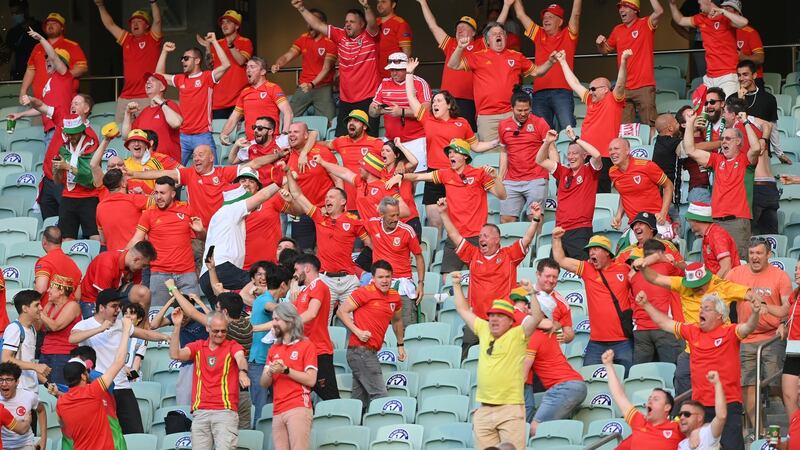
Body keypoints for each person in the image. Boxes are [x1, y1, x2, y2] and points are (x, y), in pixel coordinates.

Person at [636, 290, 763, 450]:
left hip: (728, 403)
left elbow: (748, 327)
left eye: (707, 308)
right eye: (701, 308)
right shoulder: (692, 331)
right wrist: (646, 305)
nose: (701, 311)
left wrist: (755, 313)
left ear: (720, 315)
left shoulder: (730, 332)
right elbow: (665, 323)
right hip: (700, 407)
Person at [450, 271, 543, 449]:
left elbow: (537, 318)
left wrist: (532, 293)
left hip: (510, 409)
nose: (494, 319)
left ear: (510, 320)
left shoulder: (518, 334)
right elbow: (463, 309)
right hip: (484, 409)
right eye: (492, 315)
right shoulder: (484, 329)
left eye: (499, 316)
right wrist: (456, 284)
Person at [386, 139, 506, 275]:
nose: (451, 155)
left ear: (465, 156)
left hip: (476, 236)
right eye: (449, 152)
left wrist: (496, 178)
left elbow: (502, 195)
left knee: (481, 275)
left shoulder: (479, 174)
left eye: (455, 152)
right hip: (454, 236)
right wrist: (402, 176)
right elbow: (419, 176)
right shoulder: (445, 174)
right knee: (446, 277)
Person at [404, 57, 495, 227]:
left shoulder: (462, 123)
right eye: (433, 101)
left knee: (460, 221)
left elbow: (476, 146)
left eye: (439, 101)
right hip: (434, 175)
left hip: (457, 173)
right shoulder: (428, 120)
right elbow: (411, 97)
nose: (434, 104)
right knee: (435, 222)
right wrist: (409, 73)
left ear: (449, 105)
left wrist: (495, 143)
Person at [439, 198, 537, 354]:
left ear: (497, 239)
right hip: (476, 320)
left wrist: (535, 220)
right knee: (467, 355)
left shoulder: (509, 256)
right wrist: (444, 213)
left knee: (500, 358)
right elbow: (454, 235)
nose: (481, 239)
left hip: (502, 319)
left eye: (485, 236)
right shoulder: (473, 254)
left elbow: (527, 239)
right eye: (480, 237)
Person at [69, 289, 168, 435]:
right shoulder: (85, 325)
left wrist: (166, 337)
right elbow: (72, 338)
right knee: (105, 435)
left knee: (135, 433)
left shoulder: (121, 325)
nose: (118, 310)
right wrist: (100, 329)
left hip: (123, 387)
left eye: (119, 306)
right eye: (114, 306)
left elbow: (145, 334)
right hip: (100, 388)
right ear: (101, 307)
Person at [447, 21, 554, 147]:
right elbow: (453, 65)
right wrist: (460, 47)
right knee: (489, 155)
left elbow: (537, 72)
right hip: (487, 117)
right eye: (494, 34)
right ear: (487, 41)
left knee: (516, 151)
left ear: (506, 38)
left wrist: (550, 61)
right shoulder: (477, 56)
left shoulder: (517, 56)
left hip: (511, 114)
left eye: (501, 33)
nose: (498, 35)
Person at [725, 237, 791, 430]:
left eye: (759, 253)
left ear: (768, 255)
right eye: (752, 253)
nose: (754, 257)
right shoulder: (736, 273)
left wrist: (782, 323)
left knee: (775, 383)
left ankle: (793, 422)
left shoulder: (780, 276)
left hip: (772, 337)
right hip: (746, 337)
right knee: (747, 384)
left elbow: (788, 307)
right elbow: (721, 296)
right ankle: (759, 432)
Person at [284, 174, 367, 323]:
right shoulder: (319, 216)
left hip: (348, 280)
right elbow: (298, 195)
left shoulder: (354, 221)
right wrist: (288, 172)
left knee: (353, 322)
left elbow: (371, 244)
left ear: (343, 201)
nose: (327, 199)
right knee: (322, 323)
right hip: (326, 279)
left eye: (331, 197)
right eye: (326, 197)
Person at [292, 0, 381, 136]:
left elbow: (373, 24)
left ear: (362, 24)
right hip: (346, 100)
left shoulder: (369, 37)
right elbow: (317, 24)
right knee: (340, 139)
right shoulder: (340, 35)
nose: (347, 24)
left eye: (352, 21)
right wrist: (301, 8)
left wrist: (366, 7)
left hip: (368, 99)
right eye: (346, 21)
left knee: (369, 140)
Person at [552, 229, 634, 372]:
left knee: (627, 380)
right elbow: (561, 260)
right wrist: (556, 239)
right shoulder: (587, 268)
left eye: (595, 249)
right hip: (597, 343)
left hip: (623, 341)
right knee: (589, 379)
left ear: (607, 252)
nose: (591, 253)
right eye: (590, 250)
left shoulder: (624, 269)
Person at [682, 110, 761, 258]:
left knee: (737, 264)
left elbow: (756, 148)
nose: (723, 141)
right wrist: (690, 123)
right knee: (713, 262)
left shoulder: (745, 161)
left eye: (728, 139)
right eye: (722, 138)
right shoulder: (717, 160)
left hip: (737, 221)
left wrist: (745, 122)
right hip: (715, 222)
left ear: (738, 142)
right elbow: (690, 150)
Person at [198, 174, 283, 304]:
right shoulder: (233, 209)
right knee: (259, 282)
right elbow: (262, 196)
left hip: (207, 276)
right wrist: (278, 183)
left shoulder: (221, 214)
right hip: (222, 269)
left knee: (226, 311)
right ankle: (273, 307)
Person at [169, 307, 246, 449]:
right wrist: (177, 325)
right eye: (216, 331)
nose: (220, 334)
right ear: (207, 328)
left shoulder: (232, 346)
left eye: (224, 331)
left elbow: (240, 357)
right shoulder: (198, 346)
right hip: (201, 411)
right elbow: (175, 354)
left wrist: (243, 371)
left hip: (225, 411)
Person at [558, 49, 631, 193]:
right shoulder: (590, 99)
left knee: (600, 192)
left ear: (605, 89)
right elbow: (574, 83)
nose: (590, 91)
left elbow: (620, 84)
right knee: (583, 191)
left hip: (604, 156)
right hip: (585, 154)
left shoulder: (614, 100)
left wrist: (623, 61)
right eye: (589, 89)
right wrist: (562, 62)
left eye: (593, 89)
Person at [336, 260, 405, 410]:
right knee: (380, 397)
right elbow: (341, 312)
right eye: (380, 277)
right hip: (360, 350)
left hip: (367, 351)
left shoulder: (394, 296)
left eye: (388, 276)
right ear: (373, 278)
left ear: (392, 277)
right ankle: (384, 424)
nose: (384, 280)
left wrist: (400, 345)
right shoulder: (364, 292)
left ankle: (355, 422)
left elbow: (397, 321)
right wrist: (357, 331)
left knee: (359, 401)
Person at [57, 317, 132, 450]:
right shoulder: (93, 391)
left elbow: (65, 430)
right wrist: (126, 331)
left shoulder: (61, 403)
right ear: (83, 375)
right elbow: (119, 361)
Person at [128, 176, 204, 308]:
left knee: (193, 316)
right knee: (157, 315)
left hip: (187, 273)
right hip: (159, 275)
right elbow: (136, 239)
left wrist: (201, 231)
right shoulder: (148, 214)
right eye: (156, 192)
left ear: (173, 194)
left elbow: (203, 238)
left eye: (162, 193)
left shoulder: (187, 209)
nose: (158, 197)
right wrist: (121, 256)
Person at [155, 38, 230, 165]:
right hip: (182, 135)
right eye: (182, 58)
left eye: (186, 58)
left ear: (197, 60)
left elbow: (226, 65)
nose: (182, 61)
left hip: (202, 135)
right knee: (175, 172)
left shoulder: (207, 77)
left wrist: (214, 42)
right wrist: (164, 51)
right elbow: (158, 76)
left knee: (213, 172)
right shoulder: (180, 79)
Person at [513, 0, 582, 130]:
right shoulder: (539, 34)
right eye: (544, 17)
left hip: (562, 91)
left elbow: (576, 14)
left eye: (550, 17)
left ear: (560, 22)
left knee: (568, 130)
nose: (546, 20)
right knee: (542, 132)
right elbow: (520, 15)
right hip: (539, 93)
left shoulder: (568, 34)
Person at [730, 60, 781, 235]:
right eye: (739, 75)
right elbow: (736, 124)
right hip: (745, 166)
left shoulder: (768, 99)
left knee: (764, 231)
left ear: (754, 75)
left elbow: (772, 126)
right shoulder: (733, 99)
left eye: (745, 74)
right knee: (751, 230)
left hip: (761, 162)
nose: (741, 78)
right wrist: (740, 100)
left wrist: (779, 152)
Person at [535, 126, 602, 258]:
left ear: (584, 155)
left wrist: (575, 138)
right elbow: (540, 160)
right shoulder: (563, 171)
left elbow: (597, 155)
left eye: (575, 153)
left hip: (580, 230)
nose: (571, 157)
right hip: (559, 230)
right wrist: (547, 142)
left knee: (581, 268)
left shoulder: (589, 171)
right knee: (552, 268)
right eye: (569, 153)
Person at [523, 291, 585, 434]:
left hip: (564, 387)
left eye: (530, 306)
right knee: (555, 431)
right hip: (575, 384)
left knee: (535, 429)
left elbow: (523, 374)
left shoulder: (534, 336)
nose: (526, 308)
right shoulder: (549, 333)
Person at [597, 0, 663, 130]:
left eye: (626, 7)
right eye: (620, 8)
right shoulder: (617, 30)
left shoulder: (645, 23)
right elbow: (605, 50)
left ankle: (651, 144)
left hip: (644, 85)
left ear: (635, 10)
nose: (621, 10)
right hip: (624, 87)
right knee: (624, 128)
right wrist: (599, 44)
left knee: (650, 125)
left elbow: (659, 11)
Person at [415, 0, 481, 130]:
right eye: (458, 28)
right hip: (447, 99)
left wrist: (506, 6)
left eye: (464, 27)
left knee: (466, 133)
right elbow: (433, 26)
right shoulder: (451, 43)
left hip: (469, 99)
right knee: (445, 132)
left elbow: (496, 30)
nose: (460, 29)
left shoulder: (480, 45)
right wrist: (423, 3)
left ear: (474, 33)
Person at [260, 303, 317, 450]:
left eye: (277, 319)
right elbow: (264, 383)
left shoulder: (306, 345)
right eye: (273, 319)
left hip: (298, 406)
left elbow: (311, 380)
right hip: (278, 409)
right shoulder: (274, 348)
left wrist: (286, 370)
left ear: (290, 320)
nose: (273, 323)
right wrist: (270, 371)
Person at [94, 0, 163, 122]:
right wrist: (100, 5)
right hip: (125, 97)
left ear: (147, 25)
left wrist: (153, 2)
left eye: (139, 21)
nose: (135, 24)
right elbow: (110, 25)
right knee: (120, 131)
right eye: (132, 22)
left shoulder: (152, 38)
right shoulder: (127, 39)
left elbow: (157, 20)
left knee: (146, 130)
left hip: (147, 96)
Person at [601, 348, 684, 448]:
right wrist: (609, 365)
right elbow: (619, 396)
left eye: (656, 399)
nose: (650, 401)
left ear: (667, 407)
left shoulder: (677, 428)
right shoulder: (639, 422)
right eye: (649, 398)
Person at [362, 197, 425, 327]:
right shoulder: (373, 224)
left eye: (397, 214)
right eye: (392, 216)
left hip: (402, 287)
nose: (396, 219)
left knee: (406, 328)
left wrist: (420, 284)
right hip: (379, 287)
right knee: (377, 328)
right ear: (382, 215)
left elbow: (419, 257)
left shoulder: (407, 231)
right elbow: (354, 225)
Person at [669, 0, 748, 97]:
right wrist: (672, 4)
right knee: (708, 106)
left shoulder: (724, 17)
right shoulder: (701, 18)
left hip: (728, 75)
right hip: (710, 76)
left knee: (729, 106)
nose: (698, 1)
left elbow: (744, 22)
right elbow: (680, 20)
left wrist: (723, 11)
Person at [497, 88, 551, 224]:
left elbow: (551, 148)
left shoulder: (540, 122)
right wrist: (500, 177)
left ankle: (537, 239)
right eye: (519, 110)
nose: (523, 113)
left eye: (526, 110)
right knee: (506, 219)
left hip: (536, 177)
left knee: (535, 216)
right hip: (511, 179)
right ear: (512, 108)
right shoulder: (503, 125)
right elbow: (503, 151)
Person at [271, 8, 337, 120]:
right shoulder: (303, 38)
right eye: (308, 21)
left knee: (328, 121)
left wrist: (312, 84)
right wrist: (278, 64)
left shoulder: (330, 41)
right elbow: (288, 55)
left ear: (322, 24)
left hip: (323, 87)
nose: (309, 24)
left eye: (313, 21)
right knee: (287, 117)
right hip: (303, 86)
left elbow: (326, 68)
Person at [369, 53, 431, 170]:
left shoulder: (419, 82)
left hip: (416, 140)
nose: (394, 73)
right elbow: (371, 111)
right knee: (390, 176)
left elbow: (427, 110)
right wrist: (379, 110)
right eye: (391, 70)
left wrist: (402, 112)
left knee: (417, 176)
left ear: (406, 68)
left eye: (397, 70)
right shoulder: (385, 83)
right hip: (391, 142)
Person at [628, 240, 685, 365]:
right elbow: (685, 271)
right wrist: (667, 259)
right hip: (664, 327)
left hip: (640, 330)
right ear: (660, 253)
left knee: (641, 373)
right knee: (671, 369)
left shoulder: (634, 276)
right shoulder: (667, 267)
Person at [249, 263, 292, 424]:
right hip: (260, 361)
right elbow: (271, 308)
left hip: (272, 360)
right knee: (260, 409)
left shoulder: (265, 297)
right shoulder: (265, 300)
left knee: (275, 407)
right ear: (283, 285)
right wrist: (286, 308)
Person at [293, 254, 339, 400]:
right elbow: (290, 313)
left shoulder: (318, 286)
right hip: (303, 350)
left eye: (296, 270)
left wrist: (288, 325)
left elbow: (312, 313)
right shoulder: (304, 291)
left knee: (330, 397)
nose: (294, 274)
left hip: (318, 351)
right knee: (298, 397)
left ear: (306, 268)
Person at [219, 56, 293, 144]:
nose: (248, 70)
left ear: (263, 71)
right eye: (247, 67)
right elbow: (234, 117)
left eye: (252, 67)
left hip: (270, 142)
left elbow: (288, 113)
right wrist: (224, 134)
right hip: (250, 143)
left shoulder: (273, 88)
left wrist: (284, 135)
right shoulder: (244, 92)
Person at [19, 12, 87, 106]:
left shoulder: (72, 46)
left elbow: (82, 68)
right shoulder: (38, 47)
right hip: (39, 100)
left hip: (64, 99)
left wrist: (63, 77)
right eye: (48, 24)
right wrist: (23, 92)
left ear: (62, 27)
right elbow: (30, 70)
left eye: (54, 23)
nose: (50, 26)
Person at [52, 114, 101, 241]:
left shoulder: (91, 146)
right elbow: (57, 181)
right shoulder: (63, 148)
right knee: (66, 238)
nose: (70, 137)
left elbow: (90, 177)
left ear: (81, 131)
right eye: (68, 134)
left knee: (96, 236)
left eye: (73, 134)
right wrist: (57, 170)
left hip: (89, 196)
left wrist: (67, 167)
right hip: (68, 196)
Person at [324, 109, 384, 212]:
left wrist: (401, 163)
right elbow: (323, 145)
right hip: (350, 201)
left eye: (356, 120)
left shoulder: (375, 143)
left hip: (370, 201)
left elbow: (394, 156)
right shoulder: (341, 141)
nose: (351, 123)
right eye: (349, 120)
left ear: (364, 126)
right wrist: (311, 137)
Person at [609, 138, 674, 229]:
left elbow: (668, 186)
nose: (612, 152)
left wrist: (663, 213)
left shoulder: (646, 166)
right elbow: (624, 194)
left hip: (656, 221)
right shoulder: (612, 172)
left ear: (627, 151)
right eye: (610, 149)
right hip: (634, 224)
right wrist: (619, 215)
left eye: (616, 149)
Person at [199, 10, 252, 120]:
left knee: (240, 131)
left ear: (237, 26)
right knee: (218, 130)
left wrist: (230, 45)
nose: (224, 25)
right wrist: (208, 47)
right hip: (218, 101)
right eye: (223, 22)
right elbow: (210, 65)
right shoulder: (217, 43)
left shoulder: (245, 41)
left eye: (228, 22)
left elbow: (241, 61)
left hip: (239, 99)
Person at [79, 241, 156, 317]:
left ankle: (143, 323)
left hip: (116, 294)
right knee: (104, 321)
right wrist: (117, 312)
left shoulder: (134, 265)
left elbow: (136, 289)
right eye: (143, 265)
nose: (144, 268)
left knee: (143, 293)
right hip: (93, 300)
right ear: (136, 259)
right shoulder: (107, 262)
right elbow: (103, 298)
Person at [120, 72, 183, 162]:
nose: (148, 82)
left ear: (162, 87)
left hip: (167, 162)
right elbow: (126, 136)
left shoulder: (169, 105)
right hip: (147, 163)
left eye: (152, 80)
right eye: (147, 81)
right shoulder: (145, 111)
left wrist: (161, 102)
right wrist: (127, 113)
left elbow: (176, 123)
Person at [2, 291, 49, 395]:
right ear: (25, 308)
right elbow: (6, 359)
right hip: (18, 390)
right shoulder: (14, 329)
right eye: (36, 305)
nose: (41, 308)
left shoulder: (32, 329)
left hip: (30, 389)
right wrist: (35, 366)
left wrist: (47, 383)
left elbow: (28, 362)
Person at [38, 275, 81, 386]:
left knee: (57, 390)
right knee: (41, 390)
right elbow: (39, 327)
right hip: (45, 352)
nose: (48, 291)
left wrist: (39, 312)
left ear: (61, 291)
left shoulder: (72, 305)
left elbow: (55, 326)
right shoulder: (50, 304)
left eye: (51, 288)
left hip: (63, 354)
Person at [685, 202, 740, 278]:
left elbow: (726, 268)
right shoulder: (708, 234)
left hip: (727, 283)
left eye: (689, 220)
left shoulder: (716, 235)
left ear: (695, 220)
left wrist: (712, 284)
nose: (688, 223)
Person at [33, 226, 81, 308]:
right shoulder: (73, 264)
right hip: (69, 311)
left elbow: (41, 289)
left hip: (49, 311)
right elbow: (77, 296)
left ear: (44, 242)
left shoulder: (45, 262)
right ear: (61, 241)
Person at [677, 371, 727, 450]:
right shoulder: (681, 445)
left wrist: (717, 384)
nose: (682, 417)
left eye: (687, 414)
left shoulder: (707, 434)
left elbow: (721, 416)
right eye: (680, 415)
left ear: (699, 418)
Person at [121, 128, 181, 194]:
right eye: (133, 141)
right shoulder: (123, 164)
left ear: (146, 145)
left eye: (140, 141)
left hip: (150, 199)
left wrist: (146, 195)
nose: (136, 144)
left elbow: (163, 188)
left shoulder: (155, 163)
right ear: (128, 146)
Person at [723, 0, 765, 86]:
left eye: (728, 8)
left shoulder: (750, 32)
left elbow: (760, 58)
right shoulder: (720, 32)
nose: (724, 11)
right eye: (723, 8)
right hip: (728, 78)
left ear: (737, 13)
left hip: (751, 79)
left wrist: (743, 57)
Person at [0, 362, 40, 450]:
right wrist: (27, 421)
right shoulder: (1, 409)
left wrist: (43, 439)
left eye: (9, 380)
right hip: (3, 445)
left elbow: (41, 410)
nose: (4, 383)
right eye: (1, 379)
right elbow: (22, 429)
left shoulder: (29, 396)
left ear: (17, 381)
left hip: (25, 444)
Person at [375, 0, 412, 77]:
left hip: (392, 75)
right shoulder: (375, 22)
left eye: (383, 2)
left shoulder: (400, 23)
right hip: (375, 76)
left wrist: (402, 74)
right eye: (378, 2)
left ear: (393, 4)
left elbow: (407, 52)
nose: (379, 4)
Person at [5, 0, 40, 81]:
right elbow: (8, 57)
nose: (15, 15)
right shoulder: (12, 33)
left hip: (38, 73)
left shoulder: (40, 28)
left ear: (26, 10)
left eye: (17, 12)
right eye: (12, 13)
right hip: (19, 76)